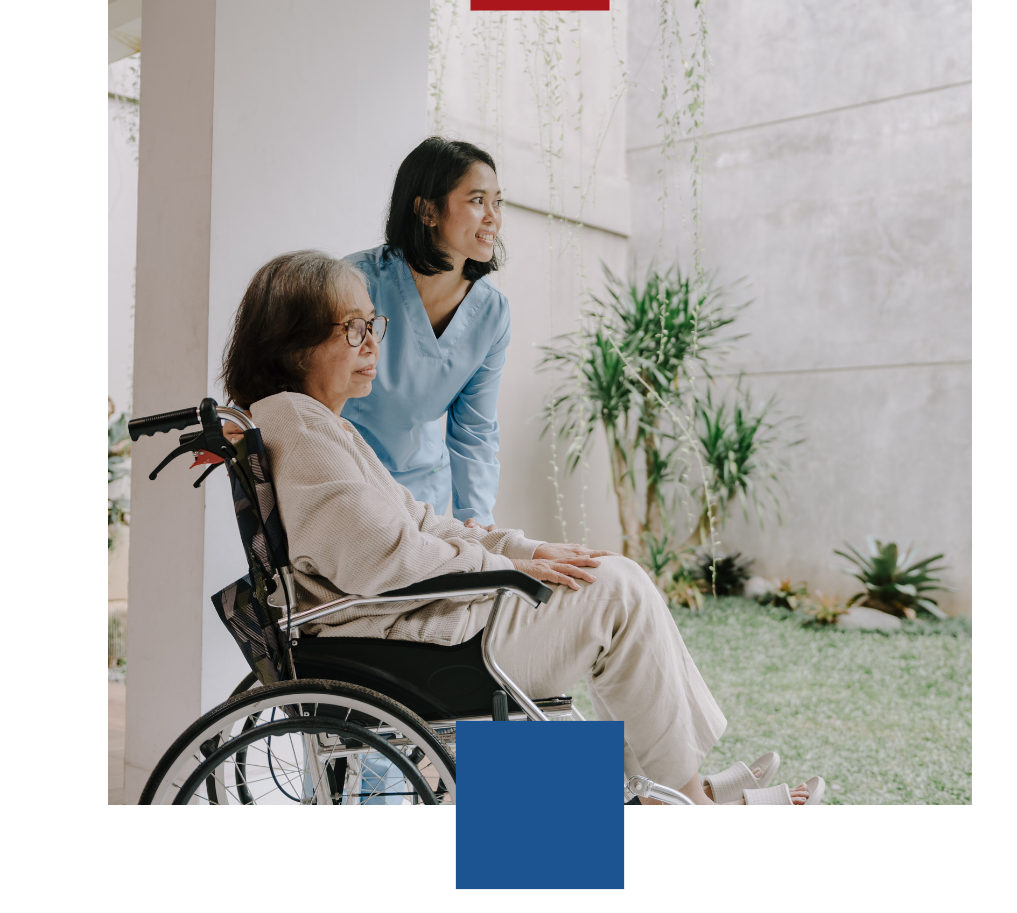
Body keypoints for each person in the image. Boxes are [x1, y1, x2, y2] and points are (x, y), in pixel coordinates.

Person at [220, 250, 824, 805]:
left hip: (404, 626)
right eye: (351, 329)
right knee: (617, 590)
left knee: (606, 578)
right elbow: (383, 556)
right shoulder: (299, 426)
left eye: (371, 325)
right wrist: (507, 569)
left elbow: (423, 523)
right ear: (293, 343)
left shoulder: (315, 424)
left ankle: (669, 792)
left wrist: (526, 548)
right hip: (400, 639)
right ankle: (685, 796)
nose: (371, 343)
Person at [342, 138, 509, 531]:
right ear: (427, 210)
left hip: (423, 500)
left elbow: (475, 428)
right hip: (346, 480)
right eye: (477, 200)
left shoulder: (492, 313)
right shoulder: (354, 282)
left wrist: (477, 521)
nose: (493, 217)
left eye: (497, 202)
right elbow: (301, 385)